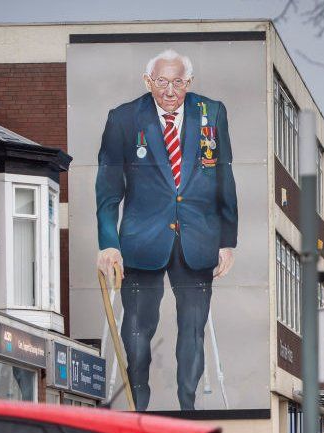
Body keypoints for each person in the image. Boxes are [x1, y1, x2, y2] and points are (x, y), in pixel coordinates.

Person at [95, 48, 238, 411]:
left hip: (197, 240)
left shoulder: (212, 113)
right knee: (140, 328)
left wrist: (227, 240)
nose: (170, 90)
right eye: (162, 81)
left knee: (193, 328)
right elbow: (108, 188)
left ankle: (187, 407)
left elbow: (224, 177)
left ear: (188, 83)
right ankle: (138, 399)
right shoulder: (124, 119)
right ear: (148, 81)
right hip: (142, 242)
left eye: (178, 82)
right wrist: (109, 243)